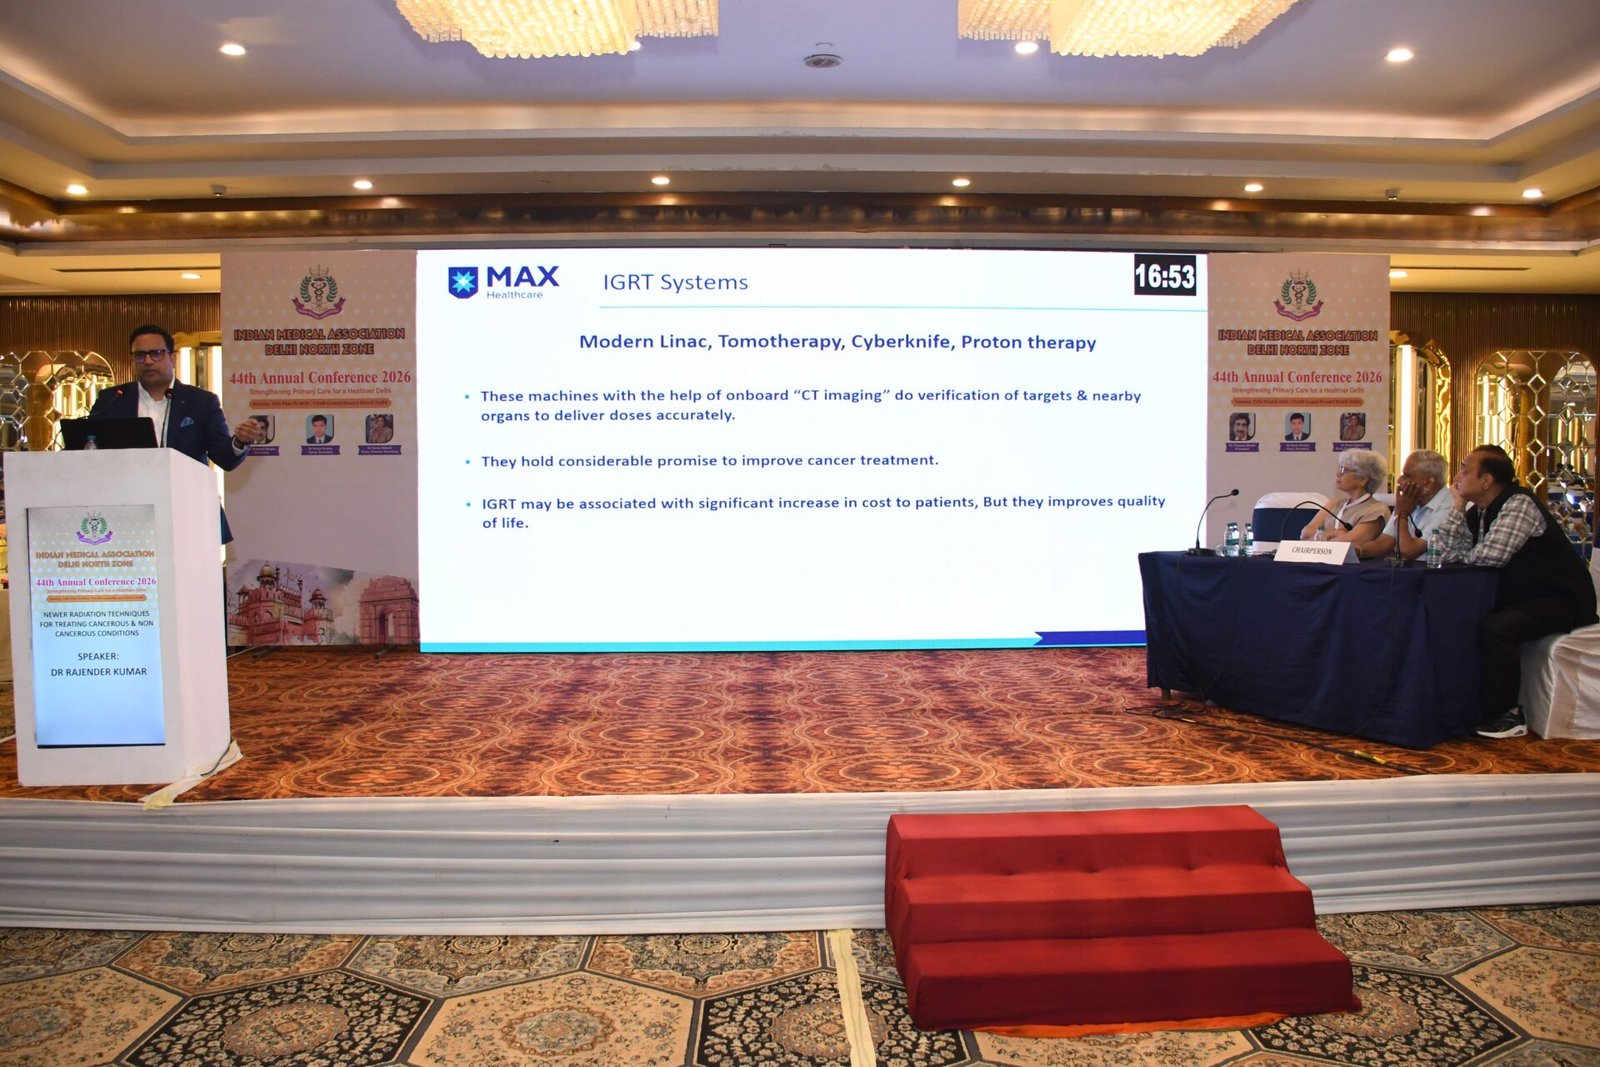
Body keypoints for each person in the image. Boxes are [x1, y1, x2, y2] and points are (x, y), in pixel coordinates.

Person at [1433, 445, 1598, 738]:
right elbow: (1444, 554)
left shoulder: (1518, 503)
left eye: (1465, 471)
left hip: (1561, 599)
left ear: (1487, 480)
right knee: (1460, 619)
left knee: (1498, 627)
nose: (1457, 478)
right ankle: (1463, 704)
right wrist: (1457, 508)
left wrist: (1464, 556)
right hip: (1521, 598)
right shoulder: (1477, 511)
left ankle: (1507, 715)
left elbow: (1490, 557)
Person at [89, 324, 262, 543]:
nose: (148, 361)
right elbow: (88, 449)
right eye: (140, 355)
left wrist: (240, 442)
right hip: (127, 514)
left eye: (156, 353)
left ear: (173, 358)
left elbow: (224, 457)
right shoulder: (113, 399)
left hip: (189, 514)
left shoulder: (201, 402)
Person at [1355, 449, 1451, 561]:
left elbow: (1407, 551)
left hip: (1434, 571)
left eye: (1407, 476)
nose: (1400, 480)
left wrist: (1402, 514)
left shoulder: (1449, 508)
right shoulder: (1410, 500)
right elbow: (1383, 543)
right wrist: (1357, 551)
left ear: (1428, 483)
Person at [1301, 449, 1389, 550]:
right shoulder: (1334, 502)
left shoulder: (1376, 510)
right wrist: (1335, 532)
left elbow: (1346, 544)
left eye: (1344, 470)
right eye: (1340, 468)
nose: (1338, 473)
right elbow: (1305, 534)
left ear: (1362, 479)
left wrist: (1320, 537)